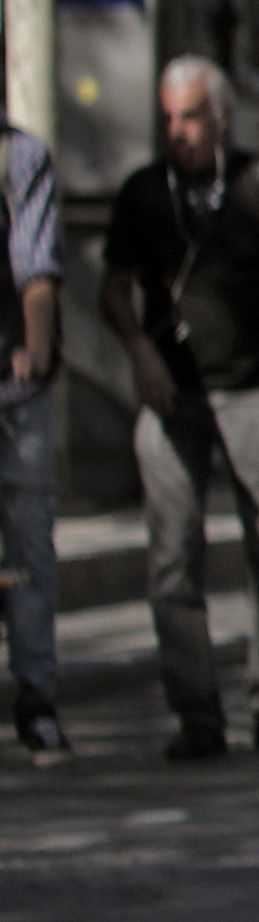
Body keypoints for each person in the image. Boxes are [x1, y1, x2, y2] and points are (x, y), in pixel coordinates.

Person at [107, 57, 259, 758]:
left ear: (220, 116)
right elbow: (113, 286)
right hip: (174, 395)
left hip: (254, 387)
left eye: (190, 116)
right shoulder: (143, 191)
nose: (179, 131)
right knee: (172, 556)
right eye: (168, 118)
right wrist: (137, 350)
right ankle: (197, 714)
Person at [0, 78, 55, 768]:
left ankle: (38, 698)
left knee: (29, 544)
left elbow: (37, 268)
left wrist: (37, 353)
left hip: (14, 389)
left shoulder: (20, 158)